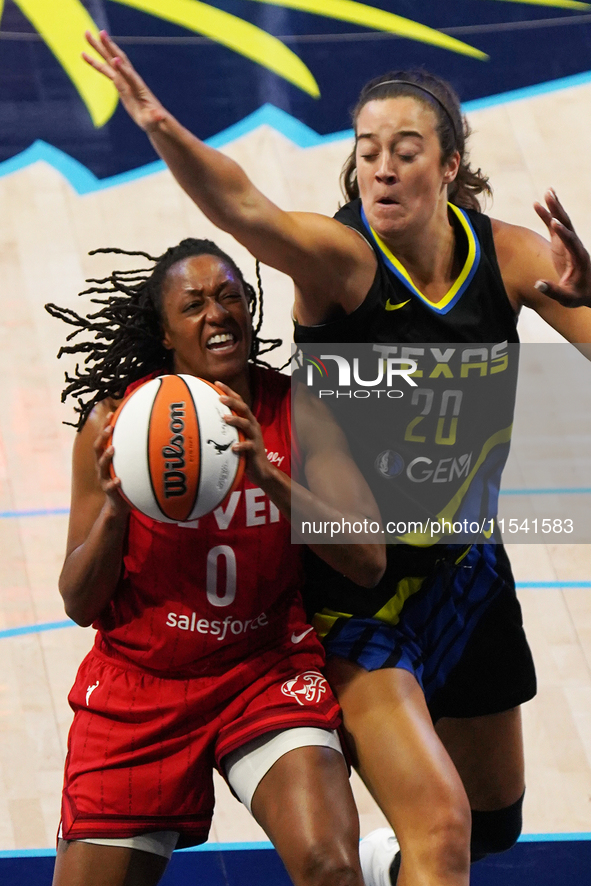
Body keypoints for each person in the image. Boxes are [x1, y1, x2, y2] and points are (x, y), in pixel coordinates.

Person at [82, 32, 591, 886]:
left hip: (468, 573)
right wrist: (160, 124)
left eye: (405, 150)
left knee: (493, 822)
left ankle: (385, 853)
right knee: (444, 829)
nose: (381, 168)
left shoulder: (509, 256)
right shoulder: (341, 260)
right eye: (366, 152)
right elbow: (244, 209)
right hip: (358, 591)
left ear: (449, 164)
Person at [46, 237, 386, 886]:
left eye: (230, 296)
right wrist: (117, 511)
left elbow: (367, 560)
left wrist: (268, 473)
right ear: (166, 332)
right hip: (139, 684)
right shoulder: (113, 425)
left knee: (331, 868)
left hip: (263, 670)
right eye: (194, 303)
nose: (217, 313)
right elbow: (77, 602)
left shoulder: (299, 409)